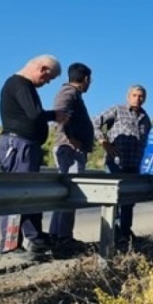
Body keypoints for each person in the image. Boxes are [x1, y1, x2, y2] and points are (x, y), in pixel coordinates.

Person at [0, 55, 67, 254]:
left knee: (30, 194)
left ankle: (36, 239)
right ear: (42, 69)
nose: (46, 83)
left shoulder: (22, 85)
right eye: (48, 78)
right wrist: (54, 115)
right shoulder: (20, 84)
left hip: (25, 145)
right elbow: (34, 113)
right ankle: (10, 245)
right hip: (19, 145)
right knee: (18, 194)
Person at [92, 84, 151, 243]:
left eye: (141, 96)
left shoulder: (146, 118)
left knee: (129, 201)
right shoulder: (117, 110)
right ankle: (112, 233)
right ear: (128, 96)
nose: (137, 99)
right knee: (113, 200)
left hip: (133, 164)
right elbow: (95, 123)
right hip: (115, 163)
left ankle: (125, 231)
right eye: (134, 95)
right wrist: (103, 141)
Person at [48, 62, 95, 254]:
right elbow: (60, 113)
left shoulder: (72, 94)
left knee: (66, 195)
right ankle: (63, 238)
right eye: (90, 80)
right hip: (69, 150)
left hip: (71, 149)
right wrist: (70, 137)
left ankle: (58, 235)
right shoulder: (68, 93)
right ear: (85, 79)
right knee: (70, 194)